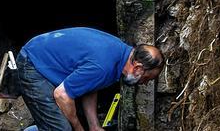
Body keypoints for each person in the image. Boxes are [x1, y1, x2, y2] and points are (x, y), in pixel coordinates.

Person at [16, 27, 164, 131]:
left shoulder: (119, 57)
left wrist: (94, 126)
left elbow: (90, 85)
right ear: (137, 68)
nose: (145, 83)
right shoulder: (104, 65)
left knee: (65, 121)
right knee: (61, 128)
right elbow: (62, 95)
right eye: (147, 78)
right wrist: (78, 128)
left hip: (45, 60)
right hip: (33, 63)